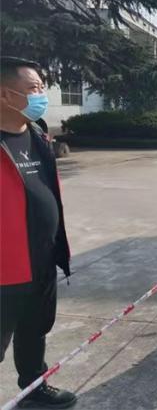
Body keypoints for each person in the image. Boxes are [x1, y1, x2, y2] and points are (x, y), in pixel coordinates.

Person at [0, 57, 77, 408]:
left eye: (42, 88)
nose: (40, 96)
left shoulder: (37, 135)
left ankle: (33, 387)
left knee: (35, 329)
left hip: (42, 257)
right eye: (33, 89)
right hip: (6, 267)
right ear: (5, 94)